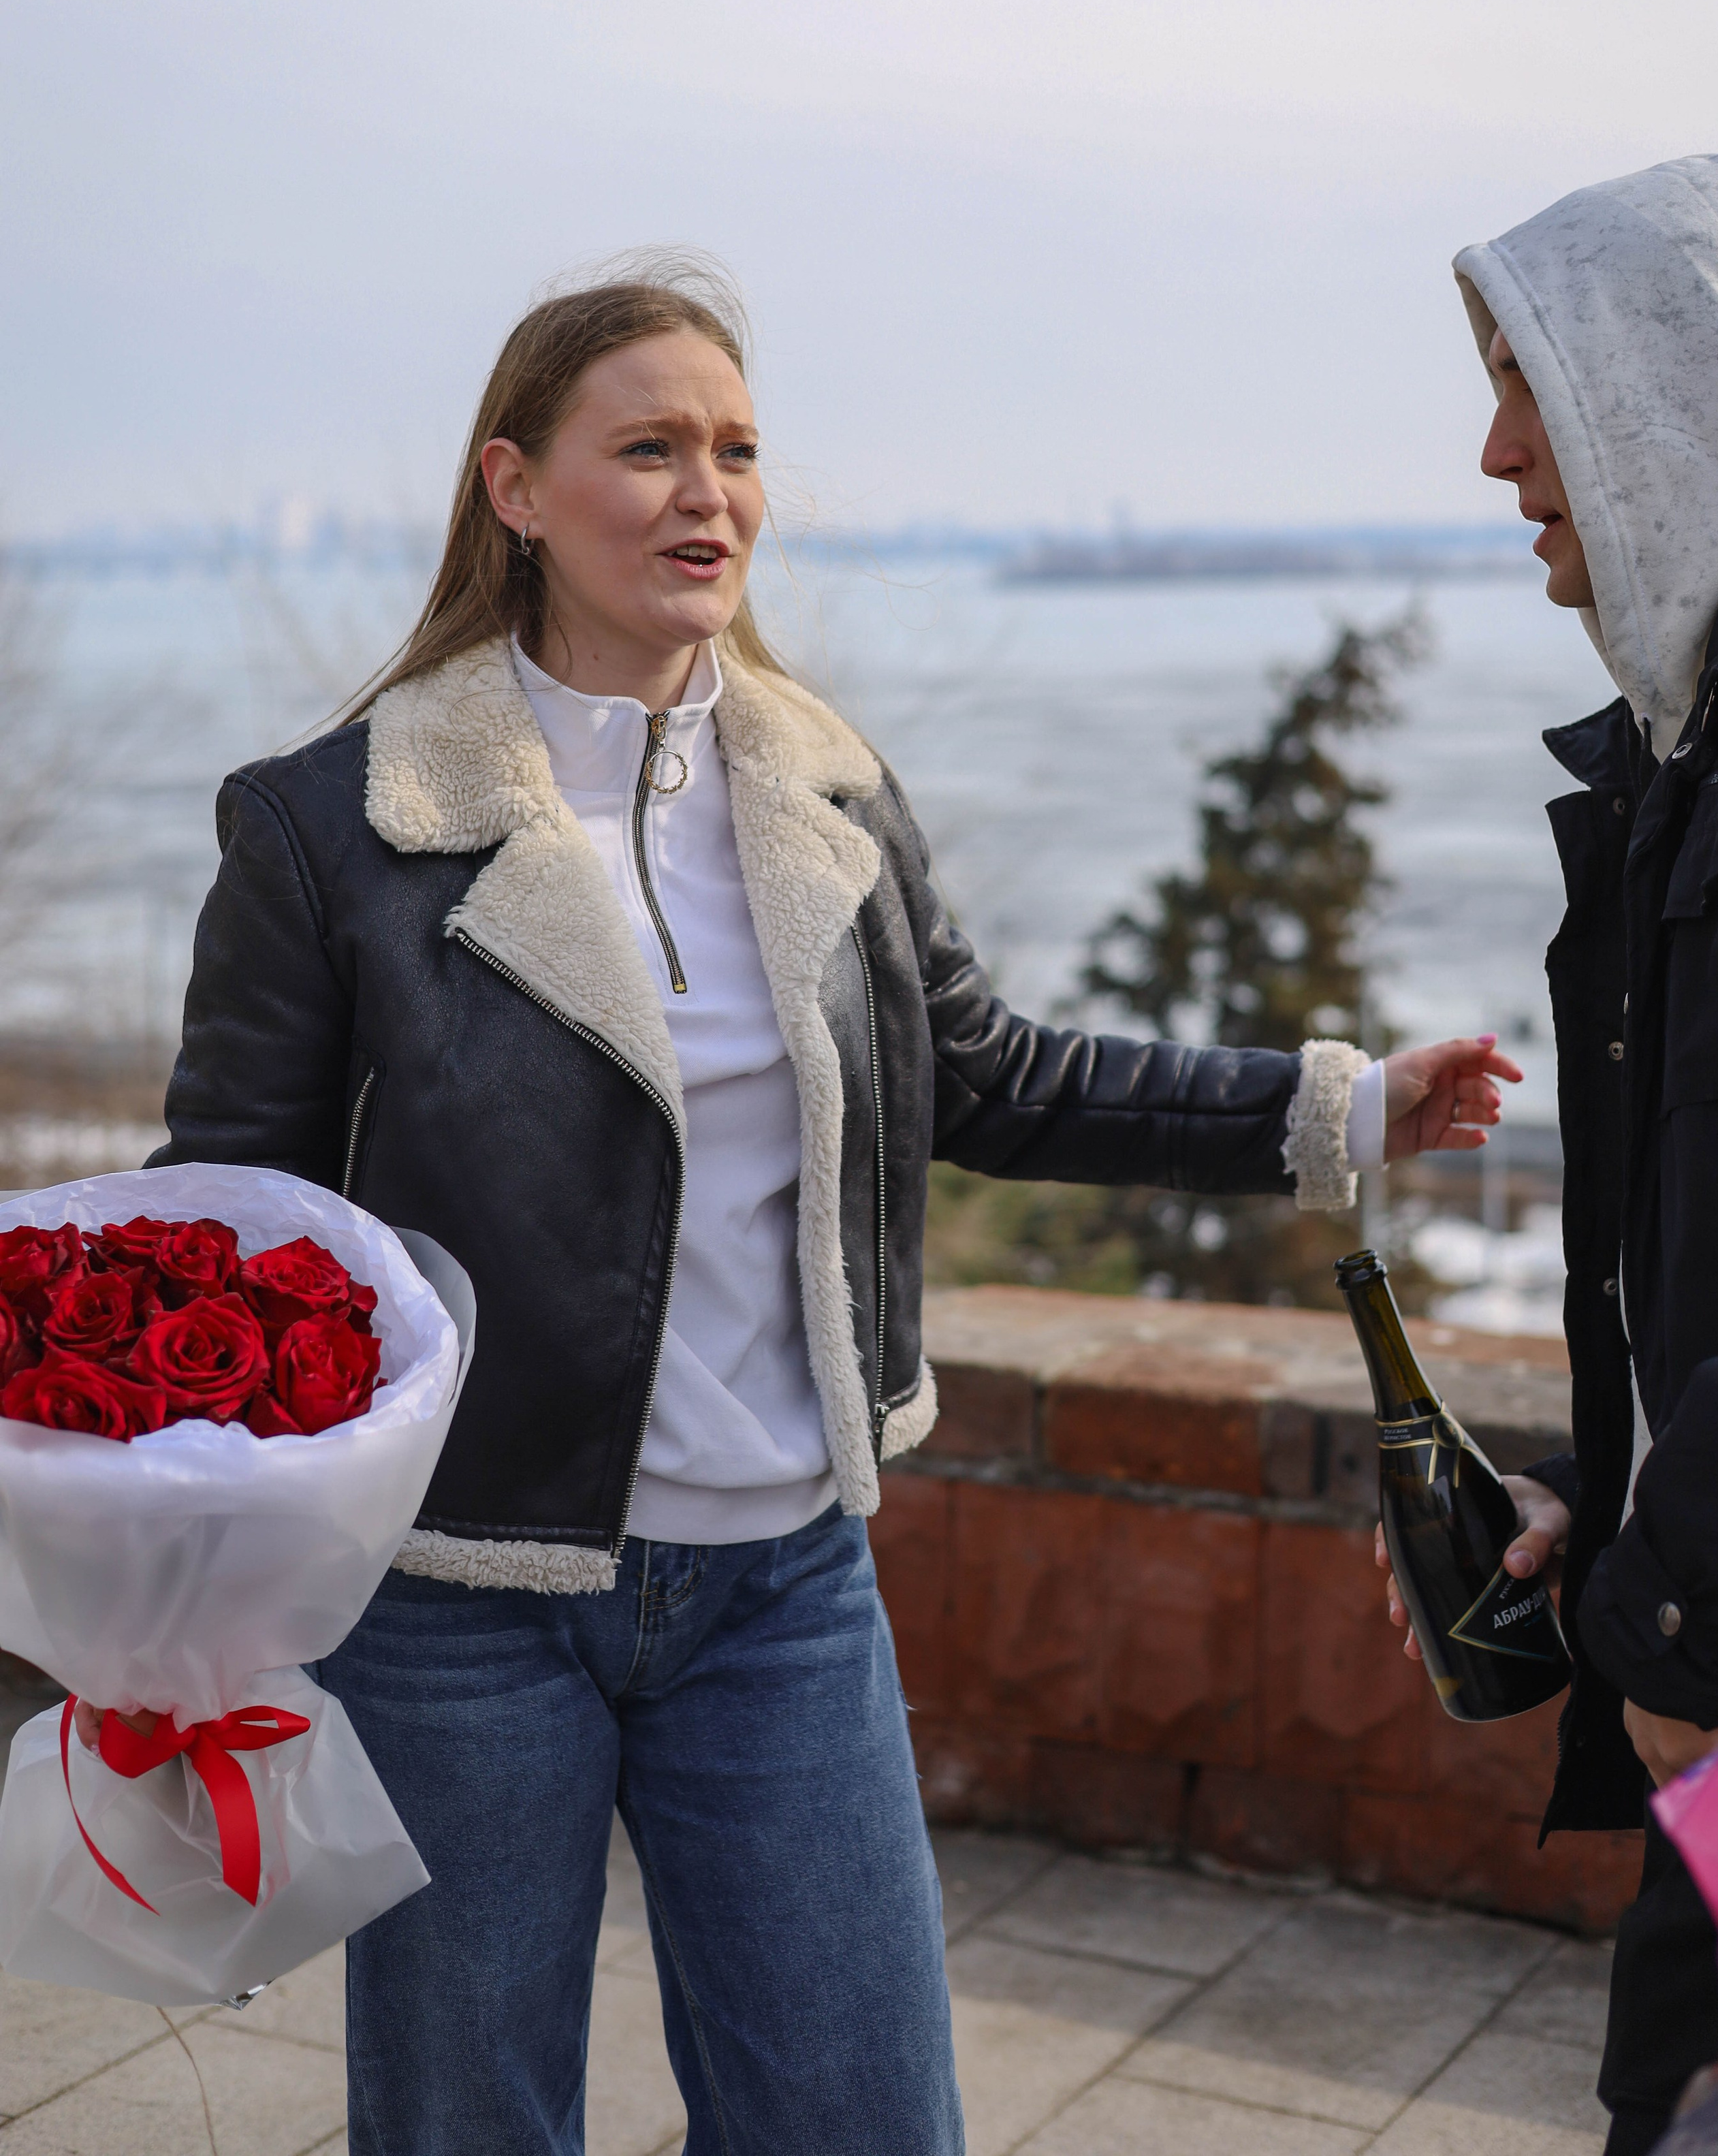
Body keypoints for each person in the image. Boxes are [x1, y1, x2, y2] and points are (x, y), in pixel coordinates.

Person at [128, 266, 1513, 2156]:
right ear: (515, 488)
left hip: (784, 1586)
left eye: (736, 448)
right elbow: (232, 1225)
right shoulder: (330, 826)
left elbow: (990, 1075)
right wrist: (173, 1580)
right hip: (458, 1599)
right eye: (649, 448)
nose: (708, 491)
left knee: (865, 2119)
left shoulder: (822, 788)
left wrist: (1328, 1106)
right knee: (467, 2128)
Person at [1379, 149, 1718, 2154]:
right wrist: (1606, 1510)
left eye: (1534, 382)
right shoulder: (1689, 768)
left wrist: (1685, 1621)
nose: (1500, 451)